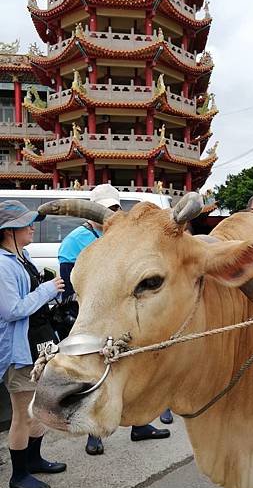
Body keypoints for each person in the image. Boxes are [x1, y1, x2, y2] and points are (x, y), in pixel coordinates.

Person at [58, 184, 172, 456]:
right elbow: (71, 283)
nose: (110, 214)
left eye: (113, 208)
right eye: (105, 210)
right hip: (92, 317)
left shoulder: (124, 233)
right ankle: (93, 434)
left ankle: (140, 424)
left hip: (125, 315)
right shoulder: (74, 241)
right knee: (92, 370)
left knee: (135, 366)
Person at [0, 200, 67, 488]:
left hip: (40, 341)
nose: (31, 227)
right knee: (23, 412)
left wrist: (47, 289)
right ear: (9, 231)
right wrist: (46, 290)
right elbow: (12, 309)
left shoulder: (23, 255)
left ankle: (35, 459)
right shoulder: (2, 265)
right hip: (20, 349)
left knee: (39, 406)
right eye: (25, 224)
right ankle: (19, 473)